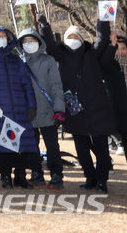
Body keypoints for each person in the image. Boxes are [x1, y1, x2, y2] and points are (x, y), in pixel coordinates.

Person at [38, 16, 116, 193]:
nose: (73, 41)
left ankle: (102, 180)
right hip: (75, 110)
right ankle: (90, 177)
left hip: (97, 109)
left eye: (76, 37)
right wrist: (43, 25)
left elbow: (102, 38)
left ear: (82, 39)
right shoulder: (61, 56)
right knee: (81, 149)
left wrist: (102, 17)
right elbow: (49, 44)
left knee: (101, 148)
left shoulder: (92, 54)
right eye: (69, 38)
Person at [0, 26, 38, 190]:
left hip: (20, 108)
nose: (0, 38)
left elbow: (27, 85)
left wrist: (31, 106)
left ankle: (20, 176)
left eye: (2, 35)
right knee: (4, 146)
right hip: (0, 110)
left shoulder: (16, 59)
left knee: (21, 145)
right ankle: (5, 176)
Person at [16, 28, 66, 189]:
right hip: (27, 112)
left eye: (32, 40)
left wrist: (59, 109)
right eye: (25, 41)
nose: (29, 44)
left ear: (39, 42)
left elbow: (56, 86)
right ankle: (36, 173)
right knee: (31, 145)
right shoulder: (19, 62)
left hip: (47, 111)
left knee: (52, 146)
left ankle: (56, 174)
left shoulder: (48, 60)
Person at [103, 32, 127, 163]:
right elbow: (104, 61)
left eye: (123, 48)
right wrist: (112, 44)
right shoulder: (109, 66)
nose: (120, 52)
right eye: (117, 48)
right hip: (119, 111)